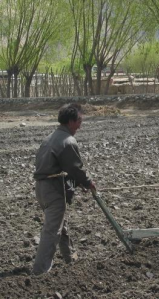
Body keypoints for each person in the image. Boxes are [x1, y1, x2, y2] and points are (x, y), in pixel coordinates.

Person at [32, 103, 96, 275]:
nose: (80, 126)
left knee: (61, 223)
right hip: (53, 190)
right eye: (79, 121)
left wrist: (79, 182)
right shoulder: (68, 141)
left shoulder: (50, 138)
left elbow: (64, 167)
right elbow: (75, 168)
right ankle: (40, 272)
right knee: (52, 231)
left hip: (41, 189)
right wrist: (87, 182)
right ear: (70, 121)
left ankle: (70, 257)